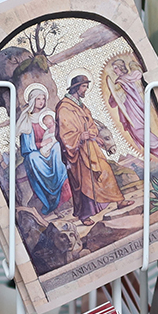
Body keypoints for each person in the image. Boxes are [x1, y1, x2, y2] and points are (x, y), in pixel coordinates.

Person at [55, 73, 125, 222]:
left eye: (86, 86)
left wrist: (93, 135)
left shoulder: (82, 106)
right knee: (84, 182)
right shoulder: (64, 108)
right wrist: (80, 137)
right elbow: (64, 133)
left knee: (105, 169)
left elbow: (91, 124)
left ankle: (119, 200)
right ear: (76, 88)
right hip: (77, 152)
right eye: (84, 86)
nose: (86, 89)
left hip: (91, 147)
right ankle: (85, 215)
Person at [16, 83, 68, 214]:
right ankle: (49, 194)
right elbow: (27, 147)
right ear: (33, 100)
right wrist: (42, 144)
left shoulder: (49, 115)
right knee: (32, 157)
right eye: (38, 99)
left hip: (52, 148)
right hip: (36, 152)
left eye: (43, 98)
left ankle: (59, 180)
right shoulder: (26, 119)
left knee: (57, 147)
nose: (41, 102)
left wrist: (53, 140)